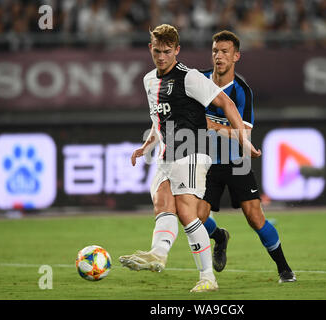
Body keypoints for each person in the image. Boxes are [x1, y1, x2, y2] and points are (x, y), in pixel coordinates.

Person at [118, 24, 261, 293]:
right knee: (162, 203)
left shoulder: (190, 77)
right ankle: (159, 254)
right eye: (157, 51)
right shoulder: (149, 80)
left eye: (167, 52)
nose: (161, 57)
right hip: (165, 155)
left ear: (177, 50)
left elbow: (227, 104)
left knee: (186, 211)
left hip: (192, 151)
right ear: (151, 49)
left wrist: (243, 138)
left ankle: (208, 277)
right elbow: (158, 120)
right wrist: (146, 146)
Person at [199, 30, 296, 283]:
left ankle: (284, 268)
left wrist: (214, 126)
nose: (218, 56)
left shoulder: (242, 91)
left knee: (255, 218)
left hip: (236, 163)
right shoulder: (198, 81)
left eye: (224, 52)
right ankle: (220, 236)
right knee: (195, 216)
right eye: (215, 51)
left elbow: (245, 134)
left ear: (236, 56)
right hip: (207, 163)